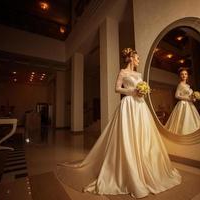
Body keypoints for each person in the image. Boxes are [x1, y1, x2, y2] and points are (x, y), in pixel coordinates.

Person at [57, 48, 181, 198]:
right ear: (130, 58)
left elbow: (140, 90)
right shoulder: (123, 72)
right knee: (127, 136)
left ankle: (145, 166)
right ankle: (128, 170)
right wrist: (132, 91)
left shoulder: (139, 74)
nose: (138, 60)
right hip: (128, 105)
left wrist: (143, 91)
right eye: (137, 58)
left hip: (140, 106)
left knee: (143, 136)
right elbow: (117, 89)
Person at [165, 67, 200, 135]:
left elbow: (190, 96)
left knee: (191, 121)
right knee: (183, 121)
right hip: (183, 105)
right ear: (180, 76)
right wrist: (188, 98)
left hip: (190, 105)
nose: (184, 75)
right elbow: (176, 95)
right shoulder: (180, 85)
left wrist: (194, 98)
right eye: (182, 74)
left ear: (187, 76)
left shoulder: (187, 85)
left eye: (185, 74)